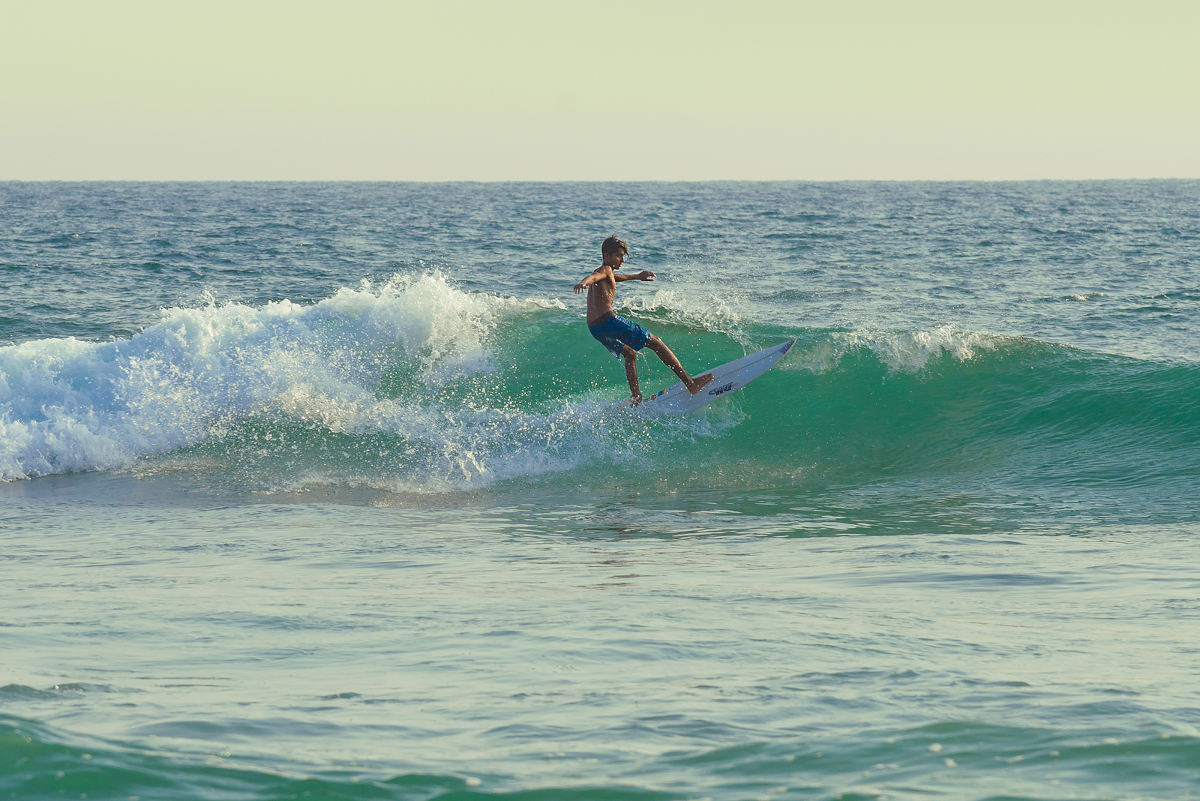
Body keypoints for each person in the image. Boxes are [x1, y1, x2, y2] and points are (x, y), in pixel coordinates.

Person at [573, 235, 713, 405]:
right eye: (619, 256)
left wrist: (638, 276)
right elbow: (594, 276)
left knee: (630, 354)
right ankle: (691, 384)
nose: (622, 260)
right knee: (657, 343)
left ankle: (636, 397)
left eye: (623, 256)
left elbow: (617, 277)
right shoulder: (604, 270)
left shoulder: (608, 272)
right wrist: (583, 282)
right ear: (606, 256)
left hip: (595, 328)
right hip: (608, 321)